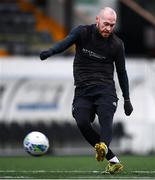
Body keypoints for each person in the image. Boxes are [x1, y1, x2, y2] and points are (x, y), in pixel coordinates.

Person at [40, 7, 133, 174]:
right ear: (97, 19)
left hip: (105, 90)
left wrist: (127, 99)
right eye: (106, 24)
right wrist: (50, 51)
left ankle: (103, 146)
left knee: (106, 119)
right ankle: (113, 160)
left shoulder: (117, 44)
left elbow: (122, 72)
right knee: (82, 121)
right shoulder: (82, 33)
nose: (108, 28)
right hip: (83, 91)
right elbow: (65, 42)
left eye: (112, 25)